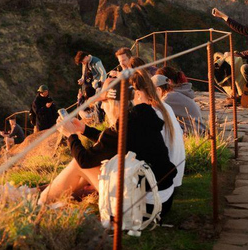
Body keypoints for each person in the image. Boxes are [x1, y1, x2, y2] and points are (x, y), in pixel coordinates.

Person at [39, 73, 177, 216]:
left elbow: (85, 160)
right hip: (162, 198)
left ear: (113, 103)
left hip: (145, 207)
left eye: (104, 102)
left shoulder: (123, 127)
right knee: (95, 167)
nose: (103, 107)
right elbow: (115, 142)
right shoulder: (142, 115)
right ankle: (53, 195)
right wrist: (84, 129)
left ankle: (42, 202)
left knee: (77, 164)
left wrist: (71, 135)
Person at [131, 71, 186, 189]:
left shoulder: (152, 113)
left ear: (138, 93)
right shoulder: (165, 106)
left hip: (166, 183)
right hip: (176, 176)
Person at [212, 5, 248, 105]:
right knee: (220, 60)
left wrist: (235, 54)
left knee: (235, 62)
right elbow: (240, 28)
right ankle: (232, 92)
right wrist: (222, 16)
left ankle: (239, 94)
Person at [75, 51, 106, 122]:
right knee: (87, 103)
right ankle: (93, 119)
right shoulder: (85, 63)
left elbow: (103, 73)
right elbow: (83, 75)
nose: (82, 63)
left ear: (86, 57)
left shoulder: (96, 61)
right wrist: (81, 80)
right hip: (90, 85)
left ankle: (100, 121)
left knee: (97, 103)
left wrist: (101, 84)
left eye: (82, 61)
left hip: (98, 85)